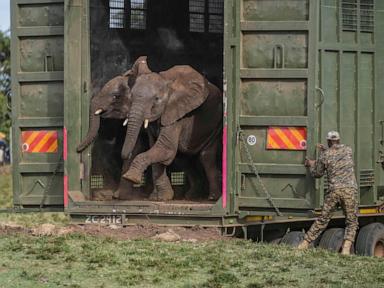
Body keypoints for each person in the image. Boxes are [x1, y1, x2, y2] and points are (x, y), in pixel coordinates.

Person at [297, 131, 358, 255]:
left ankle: (304, 244)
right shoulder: (348, 150)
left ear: (329, 141)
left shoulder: (325, 155)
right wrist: (325, 151)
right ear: (339, 140)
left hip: (334, 191)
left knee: (323, 219)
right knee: (351, 221)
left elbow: (317, 174)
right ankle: (346, 249)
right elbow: (336, 154)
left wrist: (310, 165)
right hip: (349, 190)